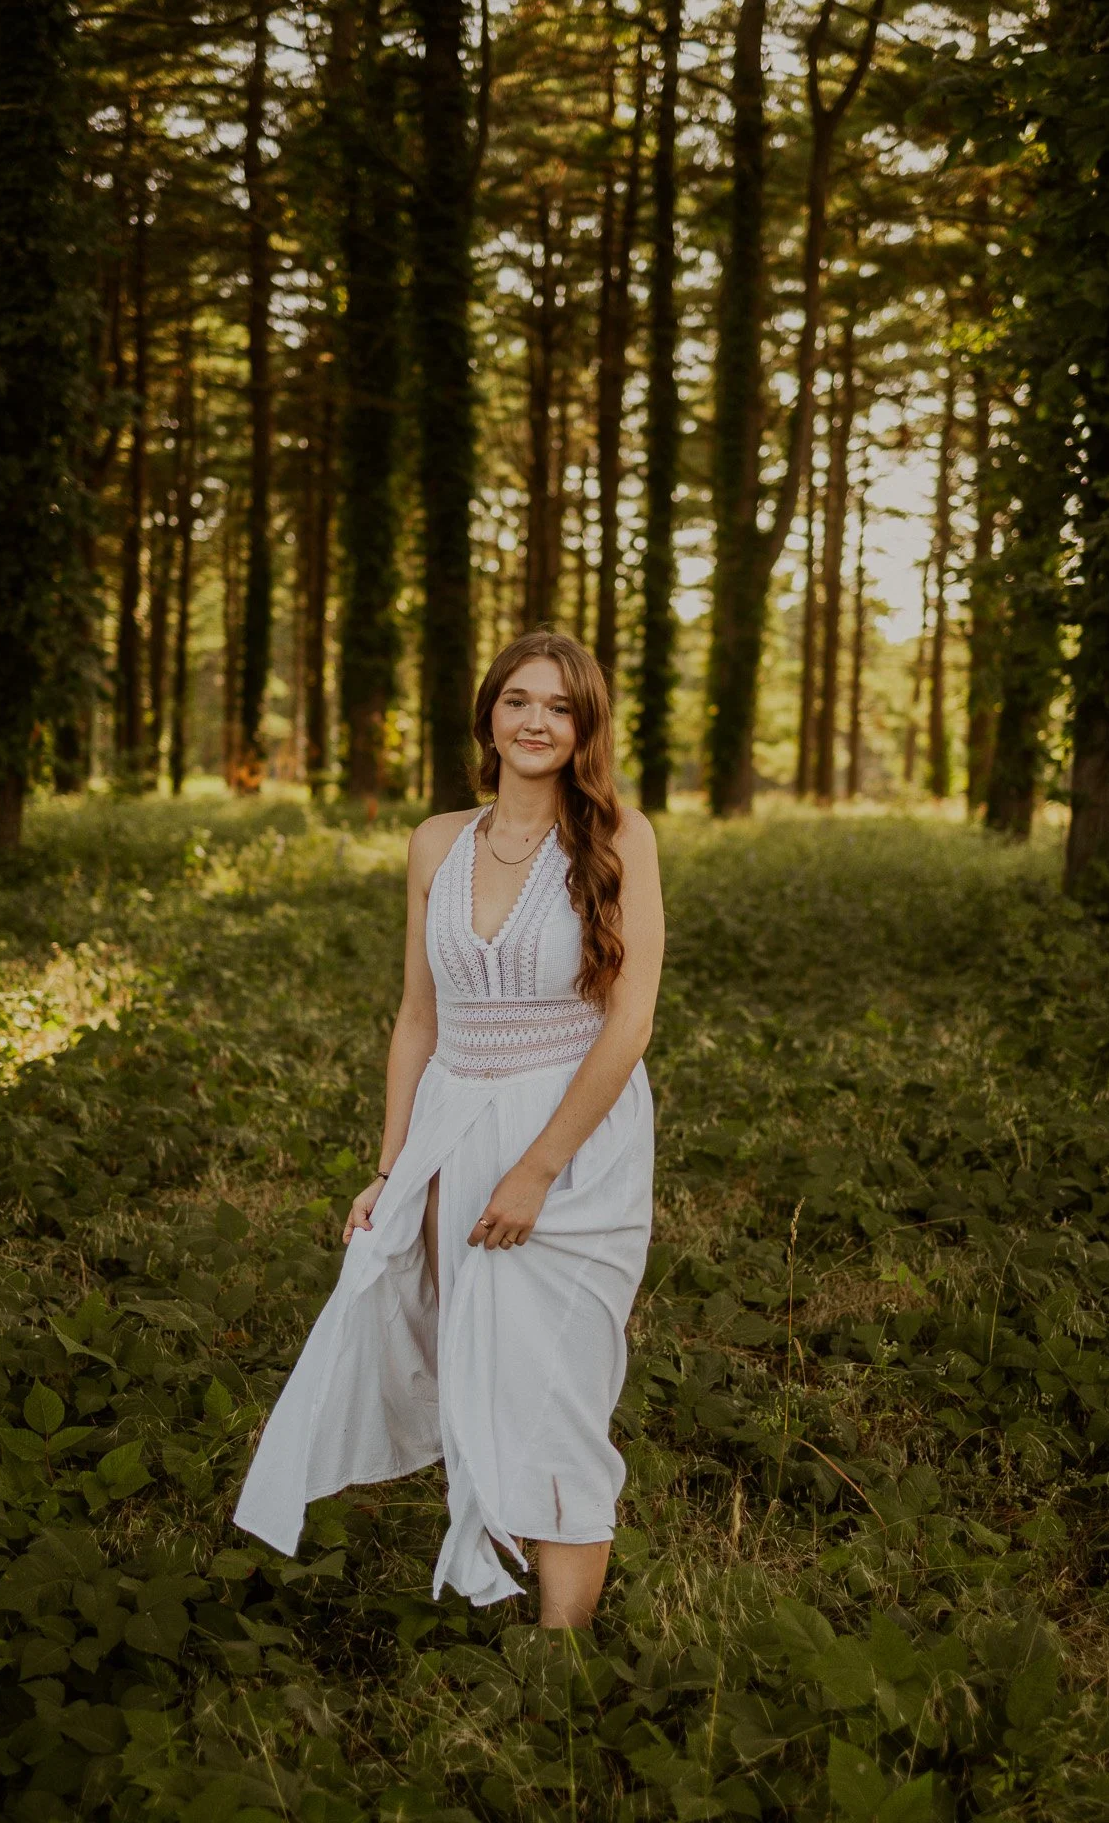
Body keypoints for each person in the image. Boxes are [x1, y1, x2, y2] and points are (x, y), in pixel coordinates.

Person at [232, 628, 664, 1628]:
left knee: (556, 1384)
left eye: (560, 706)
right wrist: (392, 1169)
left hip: (573, 1140)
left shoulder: (620, 838)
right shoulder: (435, 841)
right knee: (475, 1359)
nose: (536, 722)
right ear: (488, 715)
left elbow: (630, 1022)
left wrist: (538, 1169)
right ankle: (503, 1588)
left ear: (586, 726)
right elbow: (418, 1019)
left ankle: (560, 1660)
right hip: (452, 1125)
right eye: (518, 700)